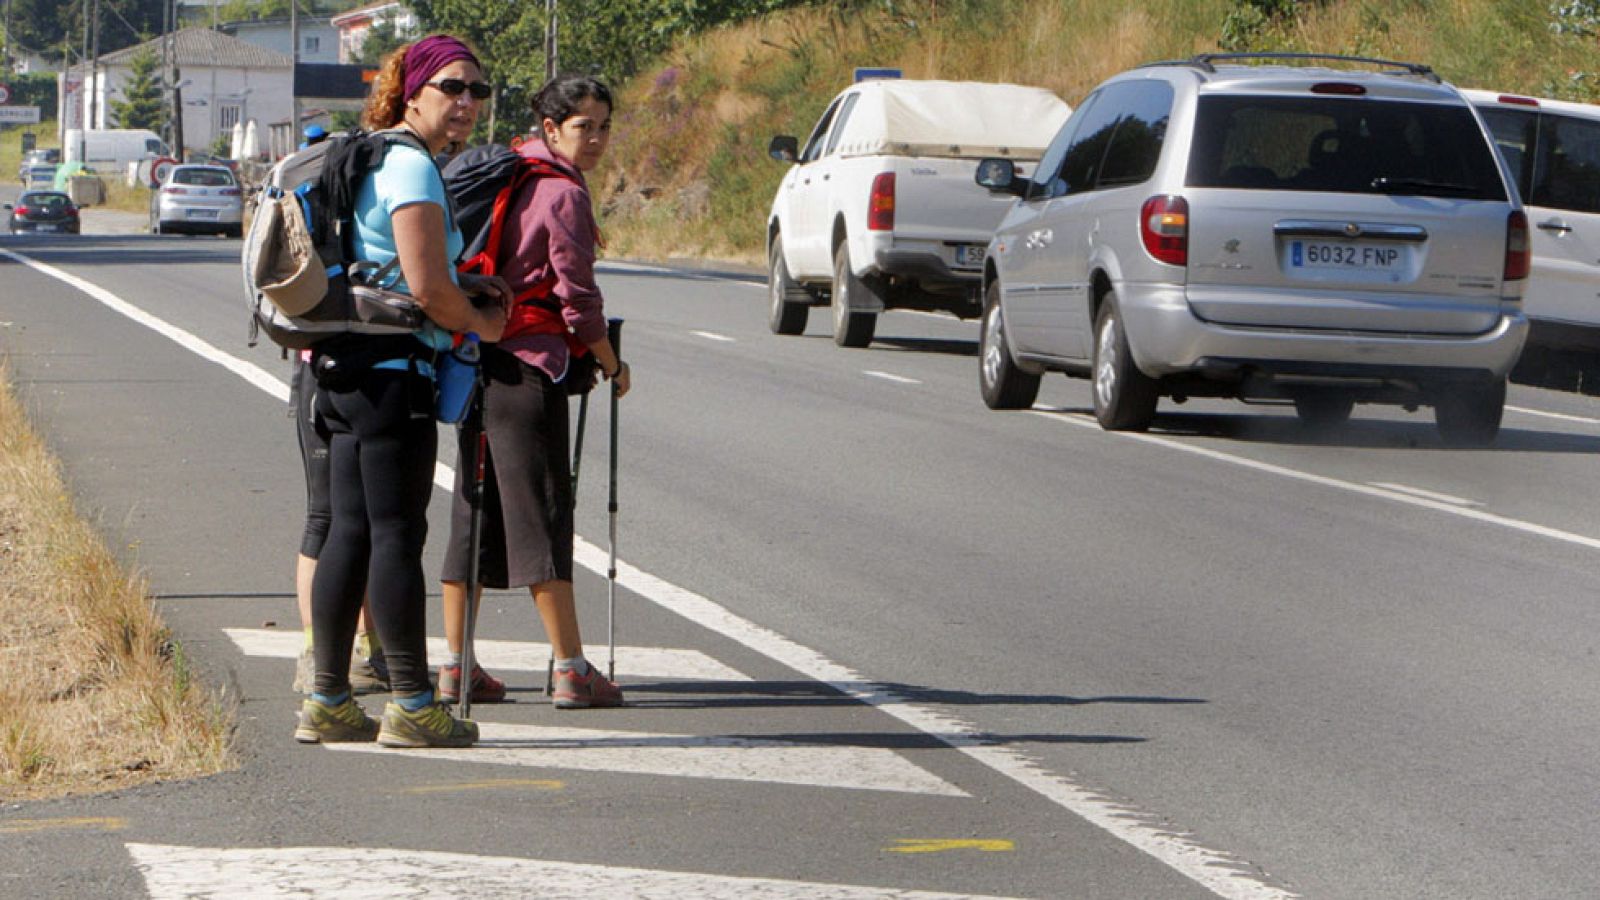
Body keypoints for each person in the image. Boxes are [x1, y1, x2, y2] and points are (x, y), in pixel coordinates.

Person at [293, 34, 510, 747]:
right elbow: (427, 287)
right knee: (395, 535)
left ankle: (327, 699)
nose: (468, 102)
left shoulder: (364, 154)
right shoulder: (411, 166)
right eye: (452, 87)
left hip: (339, 366)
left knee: (349, 532)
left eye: (477, 90)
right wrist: (482, 318)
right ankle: (414, 703)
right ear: (411, 90)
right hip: (394, 375)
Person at [438, 74, 630, 709]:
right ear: (552, 129)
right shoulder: (562, 194)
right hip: (527, 371)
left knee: (474, 515)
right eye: (584, 127)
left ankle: (457, 666)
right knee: (543, 517)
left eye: (603, 126)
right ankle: (571, 669)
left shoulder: (509, 174)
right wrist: (611, 362)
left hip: (477, 363)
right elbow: (578, 302)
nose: (597, 139)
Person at [288, 350, 388, 696]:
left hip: (370, 368)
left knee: (369, 516)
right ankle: (315, 651)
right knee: (324, 515)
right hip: (325, 366)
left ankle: (372, 647)